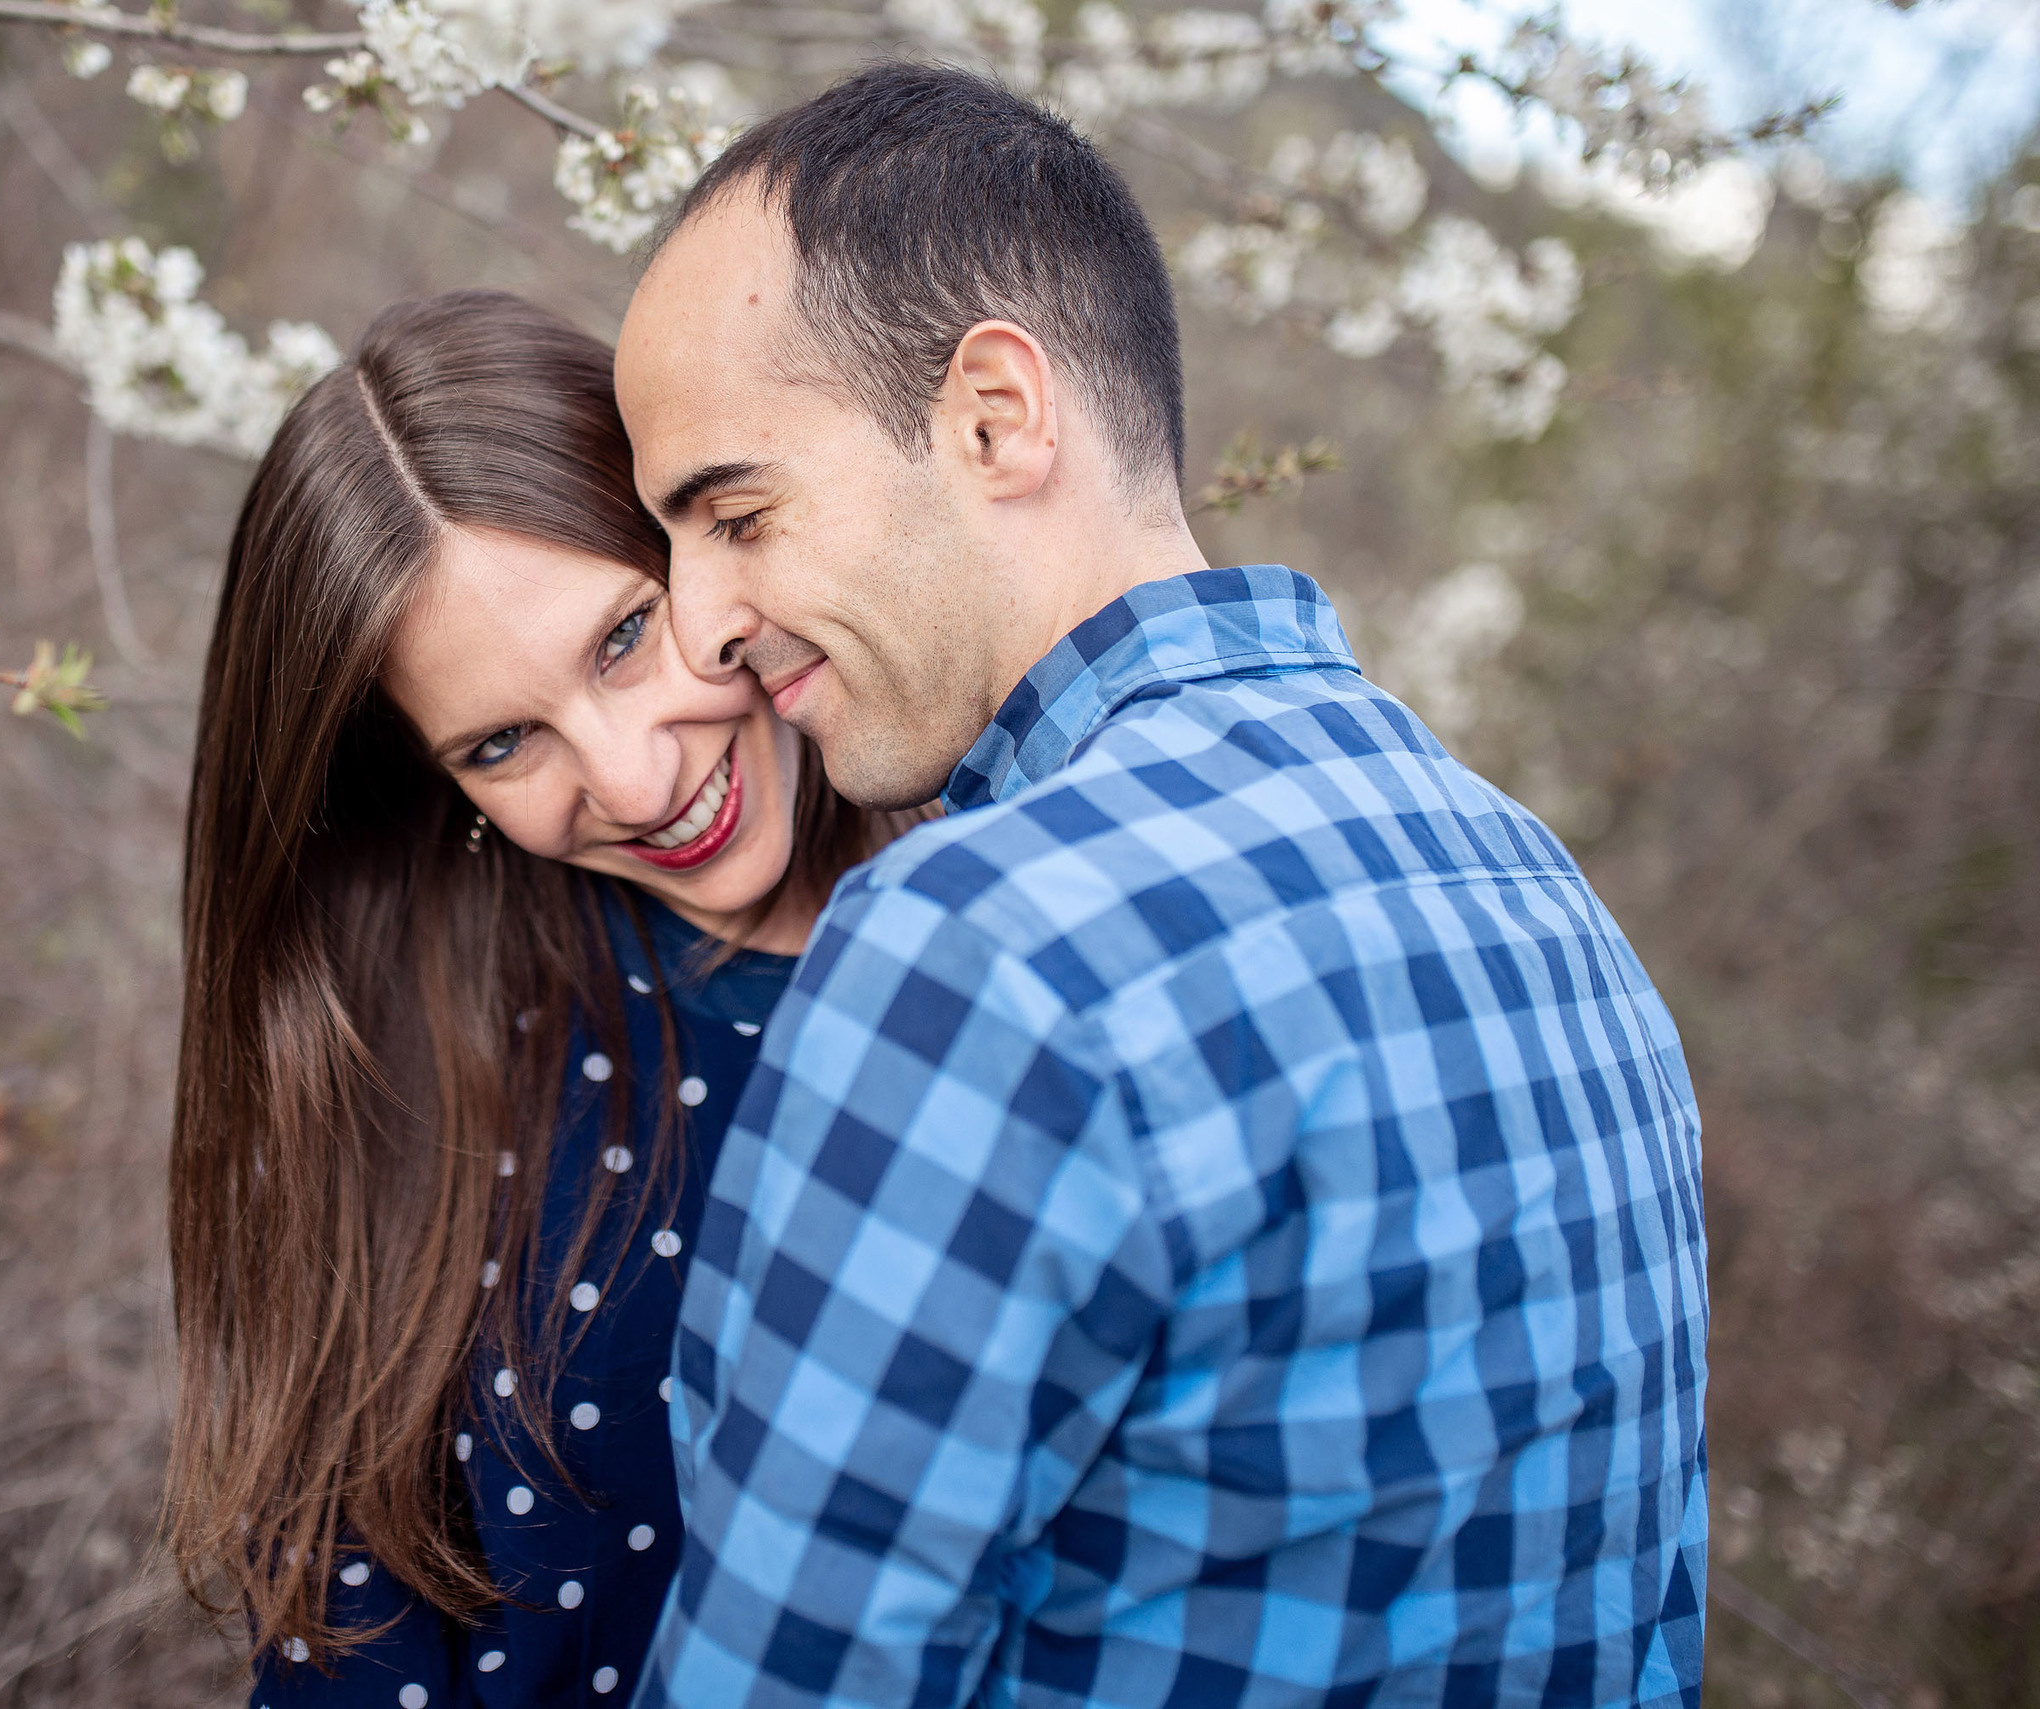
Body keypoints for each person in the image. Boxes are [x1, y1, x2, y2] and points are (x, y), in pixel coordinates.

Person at [613, 62, 1710, 1708]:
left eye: (738, 513)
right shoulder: (1550, 897)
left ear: (995, 415)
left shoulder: (976, 955)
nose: (701, 623)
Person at [167, 289, 914, 1707]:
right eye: (505, 741)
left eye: (626, 636)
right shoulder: (421, 1083)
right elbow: (347, 1638)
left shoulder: (1040, 929)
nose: (634, 781)